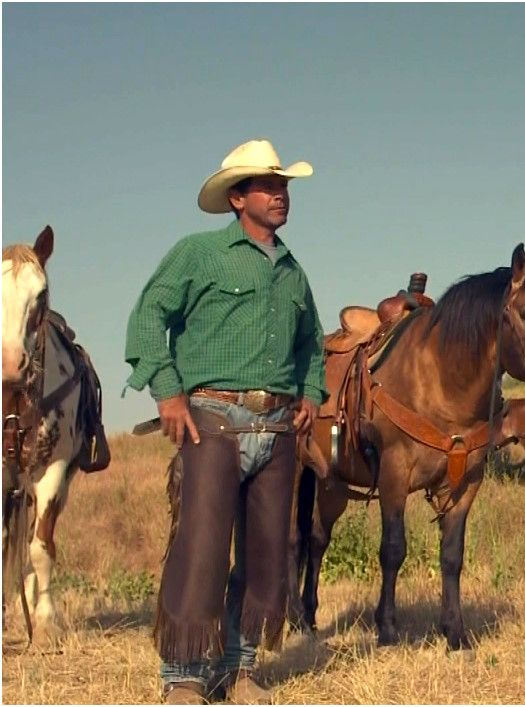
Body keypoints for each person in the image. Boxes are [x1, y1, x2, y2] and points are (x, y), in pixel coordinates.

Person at [124, 139, 326, 704]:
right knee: (202, 547)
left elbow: (311, 343)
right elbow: (148, 316)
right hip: (211, 418)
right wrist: (168, 392)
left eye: (284, 186)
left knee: (266, 553)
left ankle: (238, 669)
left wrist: (311, 393)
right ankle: (184, 675)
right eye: (269, 186)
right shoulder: (199, 253)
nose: (281, 195)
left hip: (277, 427)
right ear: (238, 198)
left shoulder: (293, 272)